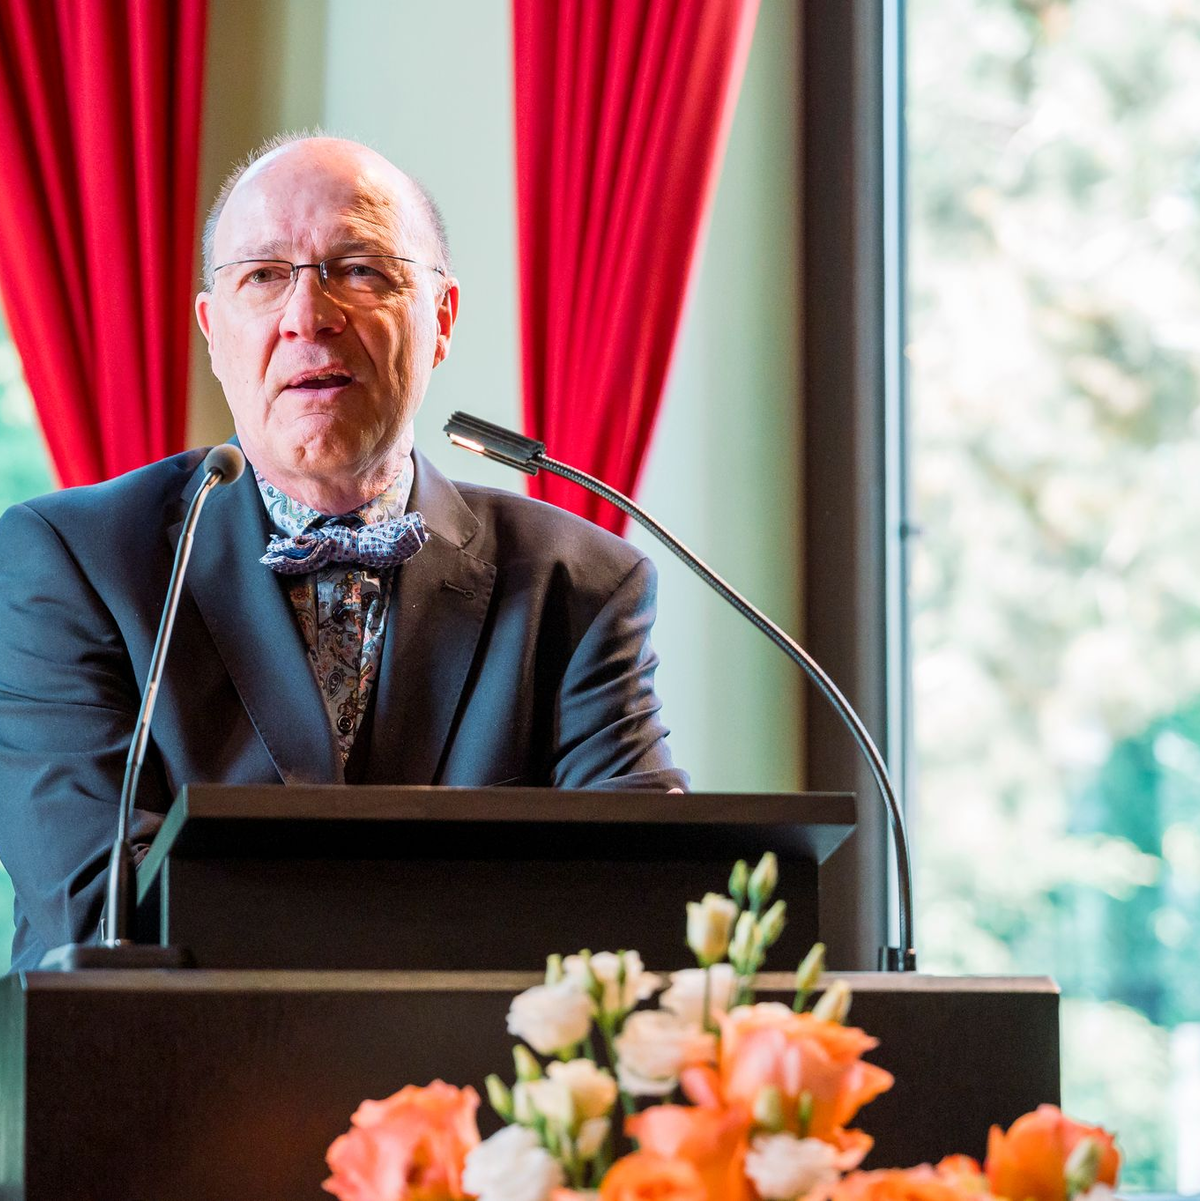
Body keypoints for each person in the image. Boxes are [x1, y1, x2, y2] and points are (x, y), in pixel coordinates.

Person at [0, 135, 685, 972]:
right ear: (214, 334)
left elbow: (645, 900)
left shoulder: (582, 585)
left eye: (359, 269)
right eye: (263, 277)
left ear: (439, 319)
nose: (307, 317)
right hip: (164, 1083)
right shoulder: (66, 561)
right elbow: (103, 913)